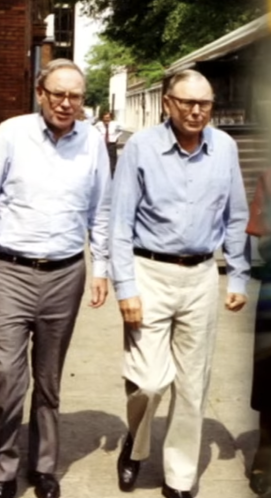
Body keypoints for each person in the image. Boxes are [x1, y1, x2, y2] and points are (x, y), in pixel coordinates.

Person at [109, 69, 251, 498]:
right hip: (149, 272)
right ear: (167, 104)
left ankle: (180, 477)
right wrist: (125, 287)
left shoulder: (224, 147)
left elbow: (237, 215)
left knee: (193, 384)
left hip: (202, 276)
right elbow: (120, 222)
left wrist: (239, 275)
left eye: (204, 103)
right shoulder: (141, 148)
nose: (195, 110)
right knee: (149, 381)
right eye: (186, 102)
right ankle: (134, 446)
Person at [0, 59, 111, 498]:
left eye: (75, 96)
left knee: (49, 379)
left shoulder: (93, 143)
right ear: (41, 93)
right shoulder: (10, 134)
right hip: (10, 271)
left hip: (66, 273)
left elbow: (100, 210)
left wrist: (101, 267)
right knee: (6, 376)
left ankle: (44, 467)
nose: (66, 103)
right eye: (58, 94)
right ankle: (4, 467)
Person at [93, 111, 122, 176]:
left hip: (111, 144)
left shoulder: (114, 124)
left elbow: (121, 130)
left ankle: (112, 174)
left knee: (112, 160)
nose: (107, 119)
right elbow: (93, 130)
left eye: (108, 118)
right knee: (101, 159)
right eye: (105, 118)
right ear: (102, 118)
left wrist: (116, 137)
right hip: (102, 144)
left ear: (110, 118)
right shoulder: (98, 125)